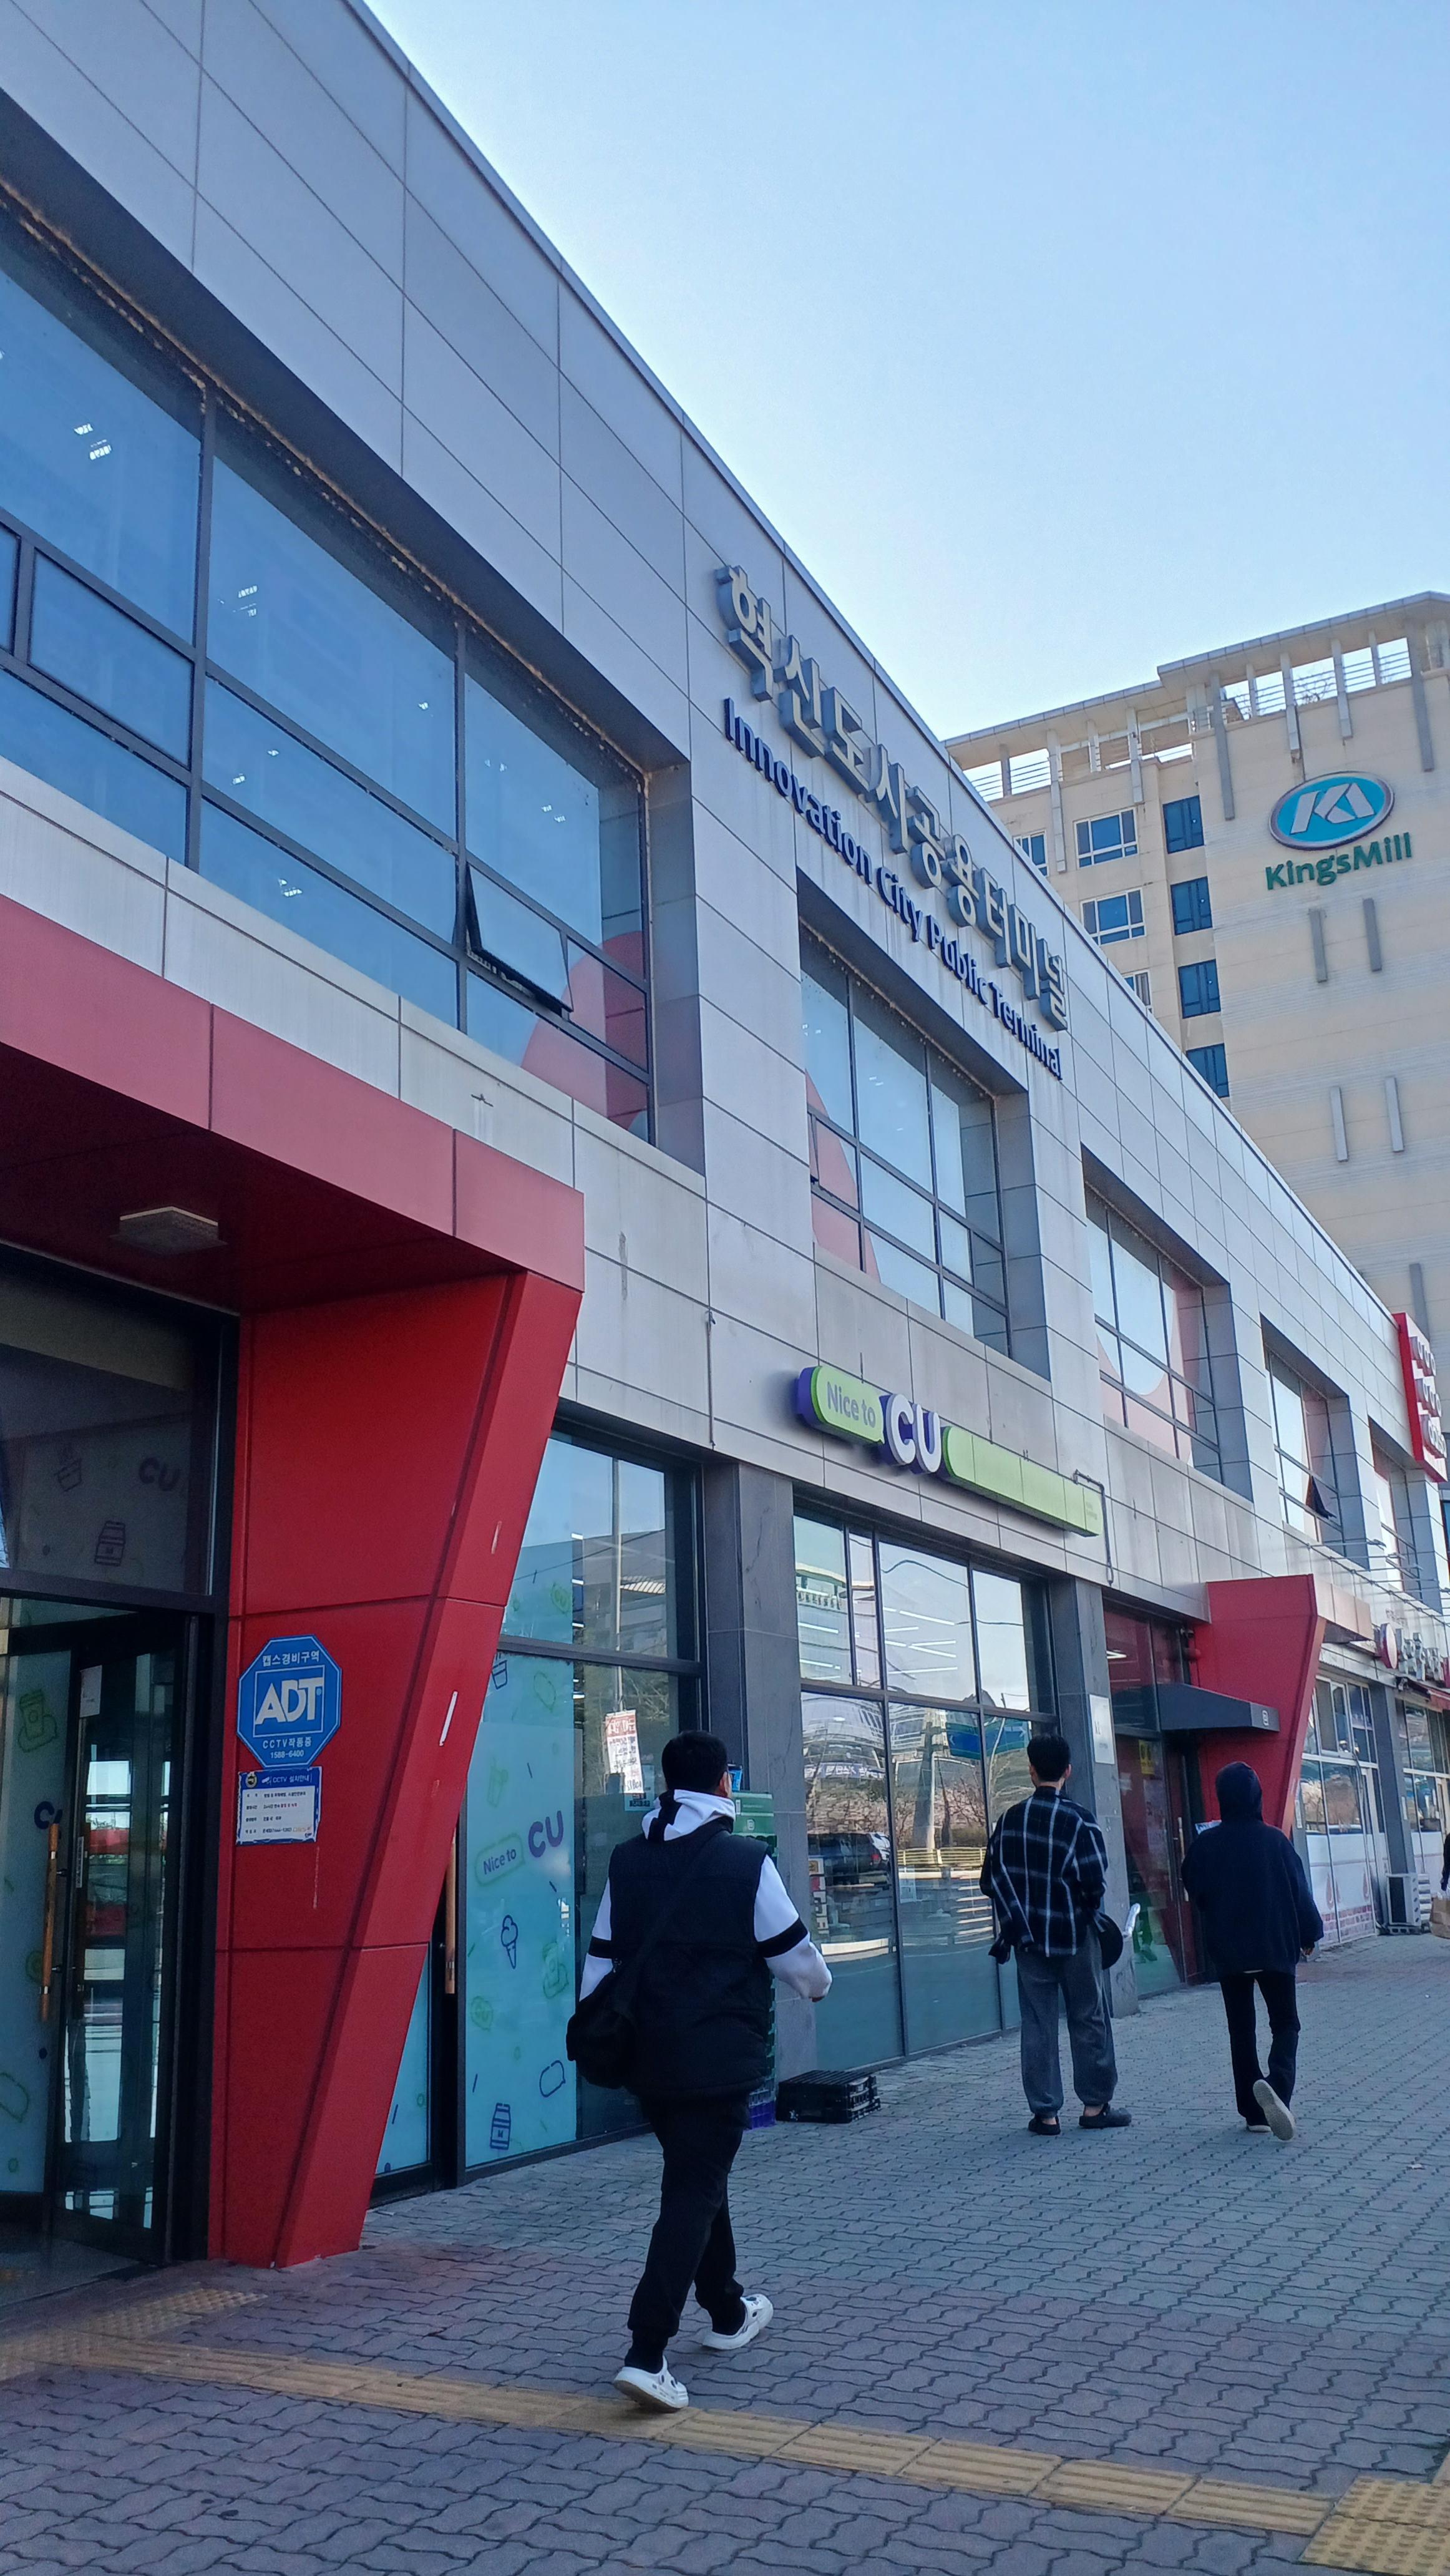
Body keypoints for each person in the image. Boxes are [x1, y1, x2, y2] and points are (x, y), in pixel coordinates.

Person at [580, 1731, 831, 2415]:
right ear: (724, 1785)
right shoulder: (743, 1860)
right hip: (717, 2061)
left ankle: (726, 2308)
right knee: (692, 2189)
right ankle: (646, 2351)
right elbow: (793, 1954)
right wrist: (817, 1986)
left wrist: (598, 2028)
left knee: (696, 2176)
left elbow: (600, 1959)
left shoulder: (628, 1859)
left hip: (647, 2058)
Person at [980, 1730, 1129, 2137]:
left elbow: (990, 1880)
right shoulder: (1080, 1820)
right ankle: (1095, 2106)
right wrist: (1082, 1906)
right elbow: (1095, 1880)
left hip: (1027, 1938)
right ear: (1068, 1771)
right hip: (1076, 1935)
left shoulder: (1009, 1821)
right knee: (1089, 2017)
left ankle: (1046, 2114)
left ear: (1031, 1771)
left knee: (1038, 2023)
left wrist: (1018, 1914)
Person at [1180, 1760, 1323, 2140]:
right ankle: (1277, 2086)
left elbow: (1192, 1883)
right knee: (1286, 2023)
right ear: (1257, 1797)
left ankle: (1253, 2111)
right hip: (1275, 1946)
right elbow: (1299, 1892)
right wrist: (1310, 1933)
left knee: (1241, 2029)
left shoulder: (1206, 1844)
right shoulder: (1276, 1841)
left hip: (1229, 1952)